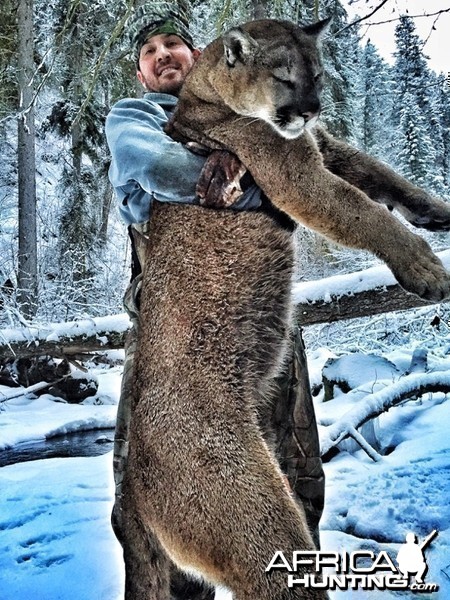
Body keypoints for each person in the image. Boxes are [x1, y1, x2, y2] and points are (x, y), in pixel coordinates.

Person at [105, 3, 324, 598]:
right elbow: (158, 165)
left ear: (199, 54)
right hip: (173, 341)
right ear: (142, 73)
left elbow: (314, 177)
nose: (162, 55)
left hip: (260, 325)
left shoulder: (253, 112)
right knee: (151, 503)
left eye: (172, 43)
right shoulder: (137, 117)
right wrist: (257, 183)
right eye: (149, 52)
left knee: (294, 481)